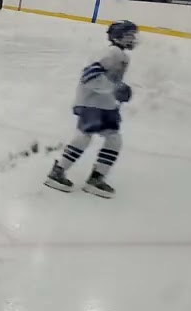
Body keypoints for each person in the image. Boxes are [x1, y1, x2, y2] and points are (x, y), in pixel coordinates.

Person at [44, 20, 137, 198]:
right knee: (85, 137)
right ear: (117, 36)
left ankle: (95, 177)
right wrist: (115, 89)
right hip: (92, 103)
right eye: (129, 35)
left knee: (113, 139)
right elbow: (89, 76)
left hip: (104, 104)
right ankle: (58, 172)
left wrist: (117, 90)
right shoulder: (110, 53)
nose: (133, 39)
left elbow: (108, 79)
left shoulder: (121, 56)